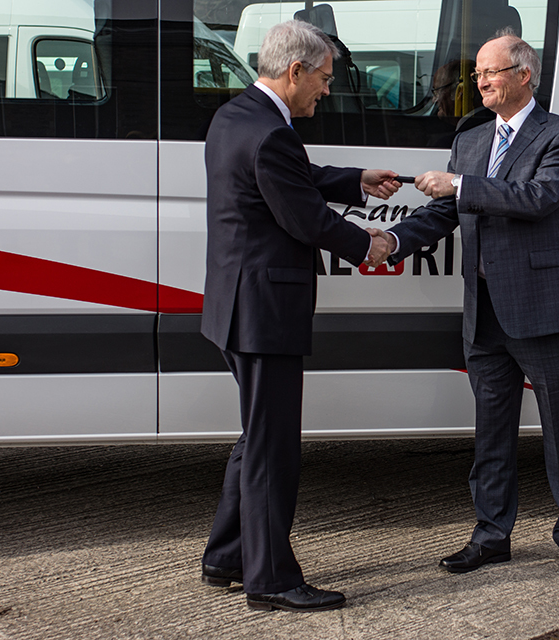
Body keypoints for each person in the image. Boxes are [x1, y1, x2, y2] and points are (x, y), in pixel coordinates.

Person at [374, 30, 559, 581]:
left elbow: (539, 199)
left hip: (544, 306)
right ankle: (491, 535)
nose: (479, 82)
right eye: (476, 74)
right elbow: (450, 212)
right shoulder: (473, 138)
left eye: (490, 72)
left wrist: (459, 184)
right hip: (485, 310)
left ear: (524, 75)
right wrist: (393, 241)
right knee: (490, 432)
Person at [199, 19, 399, 613]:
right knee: (272, 448)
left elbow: (290, 178)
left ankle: (227, 556)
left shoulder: (238, 116)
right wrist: (371, 246)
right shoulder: (271, 133)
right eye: (324, 77)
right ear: (296, 71)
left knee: (256, 438)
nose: (326, 89)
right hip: (264, 311)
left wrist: (354, 181)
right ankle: (271, 579)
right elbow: (305, 218)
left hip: (237, 305)